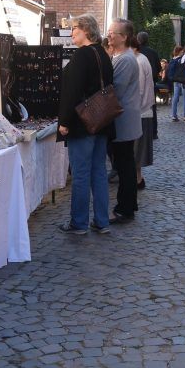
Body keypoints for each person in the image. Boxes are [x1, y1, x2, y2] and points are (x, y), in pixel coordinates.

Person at [57, 14, 115, 235]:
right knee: (98, 172)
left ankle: (79, 223)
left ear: (86, 31)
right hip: (102, 120)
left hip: (83, 122)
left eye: (74, 29)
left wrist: (64, 121)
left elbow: (72, 92)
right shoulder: (102, 53)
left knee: (81, 173)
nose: (72, 33)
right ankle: (102, 221)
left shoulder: (82, 55)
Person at [107, 18, 143, 222]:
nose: (109, 35)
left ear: (125, 37)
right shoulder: (121, 56)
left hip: (123, 120)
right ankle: (128, 205)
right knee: (124, 164)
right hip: (124, 118)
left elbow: (116, 90)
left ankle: (125, 207)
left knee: (125, 165)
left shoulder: (126, 59)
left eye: (114, 32)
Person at [133, 37, 155, 190]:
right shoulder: (140, 59)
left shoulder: (139, 61)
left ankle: (137, 180)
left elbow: (139, 91)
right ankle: (137, 179)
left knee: (136, 152)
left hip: (139, 113)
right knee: (136, 153)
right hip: (141, 112)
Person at [137, 31, 161, 139]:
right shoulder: (153, 52)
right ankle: (153, 131)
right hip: (152, 82)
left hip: (139, 82)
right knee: (151, 106)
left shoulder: (136, 53)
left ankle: (139, 130)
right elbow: (159, 68)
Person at [168, 45, 184, 121]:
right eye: (182, 51)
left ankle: (174, 115)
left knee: (175, 98)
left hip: (175, 80)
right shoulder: (180, 59)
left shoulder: (172, 59)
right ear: (179, 51)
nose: (183, 52)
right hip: (181, 80)